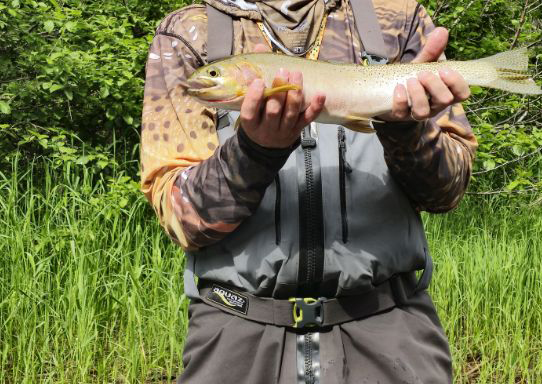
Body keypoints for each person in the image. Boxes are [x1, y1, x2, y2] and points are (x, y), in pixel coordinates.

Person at [140, 0, 477, 382]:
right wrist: (253, 153)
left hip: (391, 331)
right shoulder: (189, 32)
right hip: (236, 337)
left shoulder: (396, 18)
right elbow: (183, 220)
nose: (211, 77)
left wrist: (405, 129)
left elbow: (447, 192)